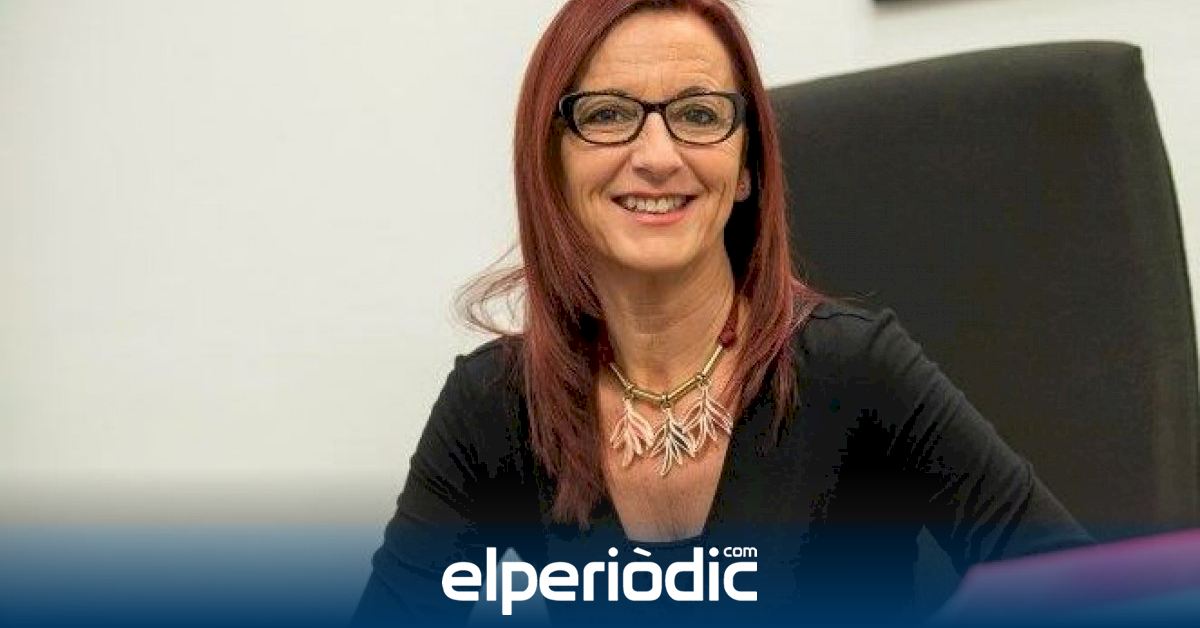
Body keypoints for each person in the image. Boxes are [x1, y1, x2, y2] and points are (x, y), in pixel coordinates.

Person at [350, 0, 1092, 625]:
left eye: (699, 114)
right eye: (608, 114)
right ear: (553, 163)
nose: (657, 156)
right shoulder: (496, 405)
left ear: (745, 169)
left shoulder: (855, 369)